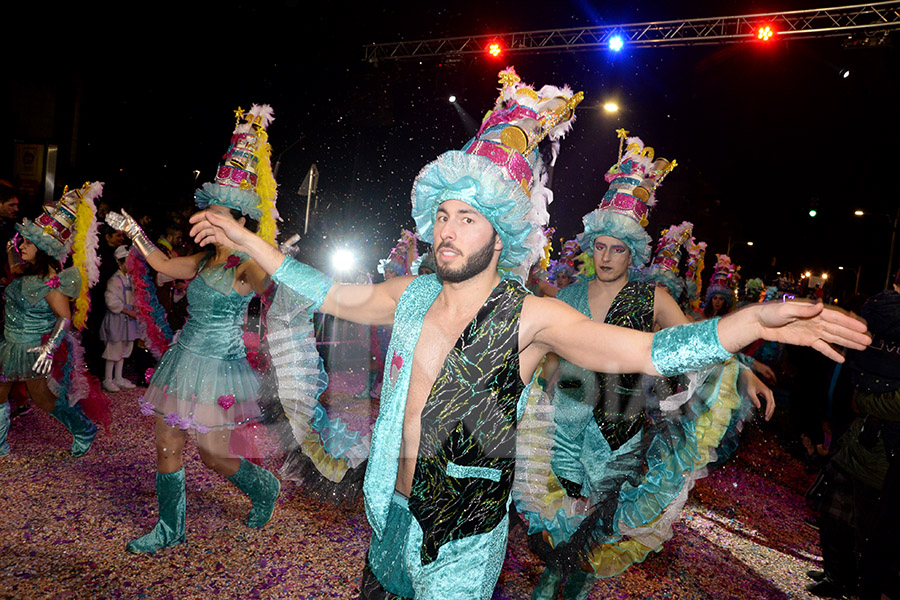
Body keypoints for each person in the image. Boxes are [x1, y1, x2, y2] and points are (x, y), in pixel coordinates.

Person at [189, 71, 870, 600]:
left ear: (503, 232)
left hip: (464, 538)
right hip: (386, 517)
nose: (450, 232)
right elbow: (331, 292)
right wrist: (251, 240)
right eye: (445, 216)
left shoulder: (532, 317)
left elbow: (648, 352)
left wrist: (748, 323)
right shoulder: (410, 293)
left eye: (469, 219)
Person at [526, 136, 772, 600]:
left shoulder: (653, 299)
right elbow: (542, 352)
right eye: (599, 246)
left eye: (617, 249)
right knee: (555, 530)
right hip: (562, 426)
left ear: (633, 252)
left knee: (592, 536)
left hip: (620, 433)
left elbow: (699, 344)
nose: (605, 257)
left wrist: (743, 370)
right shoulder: (568, 296)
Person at [107, 105, 281, 554]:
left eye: (218, 215)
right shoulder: (203, 261)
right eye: (209, 213)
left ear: (239, 223)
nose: (206, 221)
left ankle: (262, 486)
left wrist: (266, 257)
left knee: (213, 454)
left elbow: (273, 285)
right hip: (184, 361)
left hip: (220, 370)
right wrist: (135, 231)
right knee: (167, 440)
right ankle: (171, 528)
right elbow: (163, 264)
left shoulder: (247, 267)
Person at [0, 183, 109, 457]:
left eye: (28, 243)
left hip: (30, 349)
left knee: (43, 397)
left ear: (43, 250)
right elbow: (14, 265)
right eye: (23, 241)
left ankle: (84, 429)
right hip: (9, 343)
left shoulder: (51, 282)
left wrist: (49, 349)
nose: (22, 245)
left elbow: (64, 318)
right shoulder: (27, 272)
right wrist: (12, 247)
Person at [99, 245, 140, 392]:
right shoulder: (115, 280)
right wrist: (128, 312)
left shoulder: (130, 280)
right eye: (128, 262)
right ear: (120, 262)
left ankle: (119, 377)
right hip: (117, 319)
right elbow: (111, 301)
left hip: (128, 320)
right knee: (113, 349)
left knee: (124, 349)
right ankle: (108, 379)